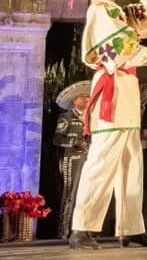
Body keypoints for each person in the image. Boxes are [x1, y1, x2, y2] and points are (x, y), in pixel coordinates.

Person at [66, 0, 147, 250]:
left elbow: (145, 16)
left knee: (130, 160)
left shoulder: (114, 12)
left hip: (126, 88)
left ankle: (130, 227)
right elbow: (121, 52)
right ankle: (82, 227)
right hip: (114, 88)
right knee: (103, 159)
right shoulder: (100, 13)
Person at [53, 80, 91, 240]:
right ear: (75, 101)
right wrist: (74, 142)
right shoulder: (66, 117)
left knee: (88, 195)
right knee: (70, 194)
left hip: (89, 159)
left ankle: (85, 230)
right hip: (72, 159)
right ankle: (64, 231)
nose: (86, 100)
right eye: (82, 97)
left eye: (88, 97)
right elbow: (56, 139)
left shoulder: (92, 117)